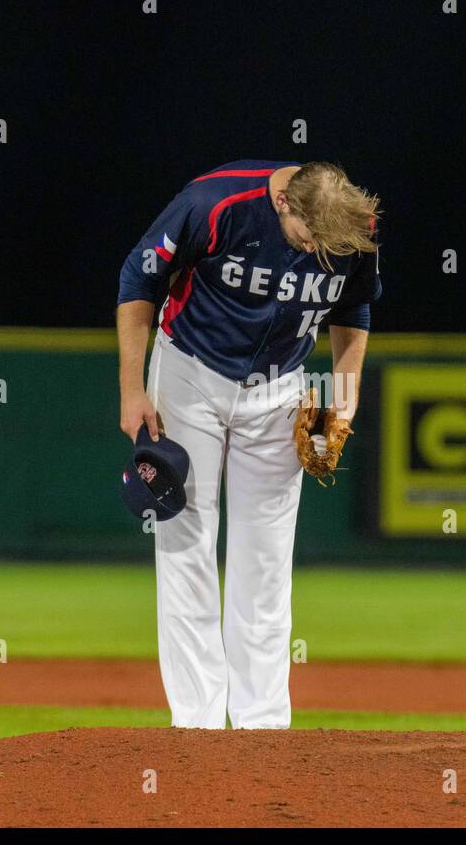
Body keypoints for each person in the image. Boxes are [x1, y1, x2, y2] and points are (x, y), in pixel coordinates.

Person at [115, 160, 381, 729]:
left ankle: (263, 727)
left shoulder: (350, 225)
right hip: (189, 378)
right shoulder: (212, 204)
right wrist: (132, 389)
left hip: (282, 387)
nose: (320, 253)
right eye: (313, 241)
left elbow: (353, 309)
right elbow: (138, 281)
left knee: (266, 561)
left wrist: (343, 397)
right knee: (186, 545)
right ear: (284, 202)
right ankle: (198, 724)